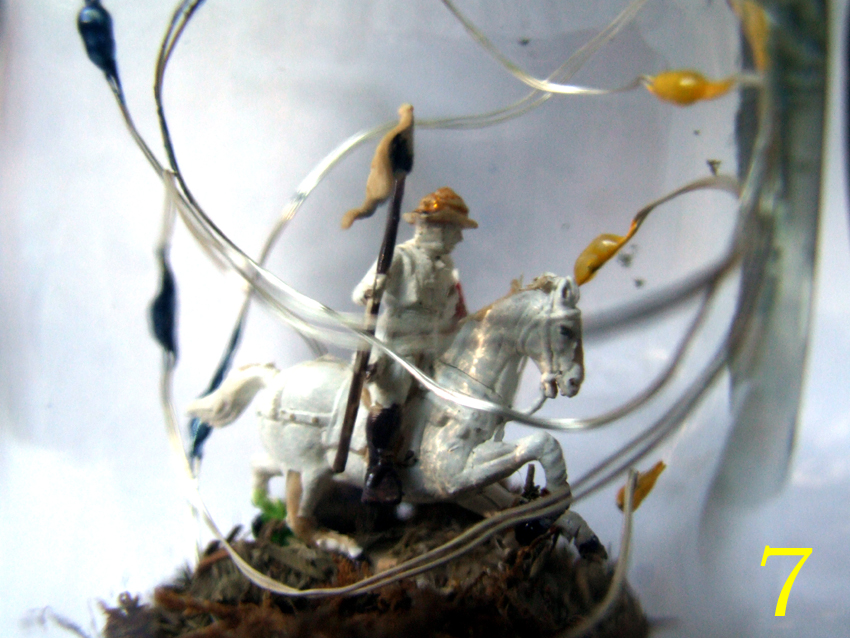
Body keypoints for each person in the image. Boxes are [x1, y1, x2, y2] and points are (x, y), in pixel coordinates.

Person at [352, 187, 478, 504]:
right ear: (432, 227)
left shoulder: (446, 268)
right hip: (395, 346)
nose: (458, 238)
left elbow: (451, 311)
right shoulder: (400, 256)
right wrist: (372, 289)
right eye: (454, 229)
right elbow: (359, 294)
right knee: (390, 403)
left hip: (430, 349)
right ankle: (378, 470)